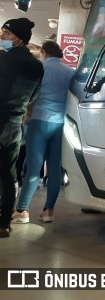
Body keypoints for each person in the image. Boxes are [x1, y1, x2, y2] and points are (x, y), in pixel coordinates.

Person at [12, 41, 74, 225]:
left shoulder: (40, 67)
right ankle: (49, 211)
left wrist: (27, 110)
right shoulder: (70, 72)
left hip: (39, 121)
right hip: (61, 124)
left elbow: (30, 93)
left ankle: (22, 210)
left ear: (44, 53)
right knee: (55, 169)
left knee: (33, 168)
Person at [0, 18, 43, 238]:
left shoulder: (3, 59)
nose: (2, 37)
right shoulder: (37, 67)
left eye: (6, 33)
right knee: (8, 175)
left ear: (18, 38)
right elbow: (32, 99)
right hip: (14, 126)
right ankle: (4, 224)